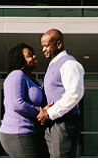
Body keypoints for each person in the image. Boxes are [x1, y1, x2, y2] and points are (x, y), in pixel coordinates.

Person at [36, 29, 84, 158]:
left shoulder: (69, 64)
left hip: (64, 123)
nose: (43, 49)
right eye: (42, 46)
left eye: (46, 45)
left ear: (58, 44)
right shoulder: (52, 64)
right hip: (52, 123)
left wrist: (49, 114)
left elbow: (74, 94)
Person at [0, 42, 49, 158]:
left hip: (30, 133)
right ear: (20, 60)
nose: (34, 56)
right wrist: (41, 113)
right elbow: (17, 104)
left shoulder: (31, 80)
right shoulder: (16, 75)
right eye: (29, 55)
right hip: (17, 132)